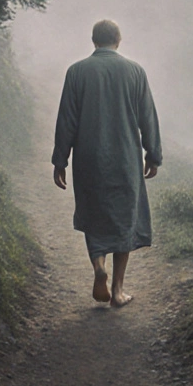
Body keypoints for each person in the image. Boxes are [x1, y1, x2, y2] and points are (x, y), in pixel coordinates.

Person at [52, 19, 162, 307]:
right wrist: (153, 154)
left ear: (93, 40)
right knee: (125, 218)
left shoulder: (76, 72)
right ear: (119, 40)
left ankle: (98, 266)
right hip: (125, 156)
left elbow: (67, 120)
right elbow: (147, 117)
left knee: (94, 212)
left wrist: (60, 160)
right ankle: (117, 290)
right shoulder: (135, 72)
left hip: (89, 157)